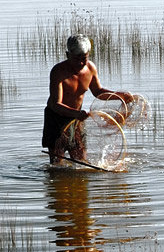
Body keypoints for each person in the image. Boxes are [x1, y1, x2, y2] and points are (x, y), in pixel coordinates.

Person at [42, 34, 133, 164]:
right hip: (56, 118)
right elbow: (56, 104)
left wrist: (119, 96)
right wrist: (76, 114)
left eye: (84, 58)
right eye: (76, 58)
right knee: (57, 163)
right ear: (68, 55)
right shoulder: (58, 72)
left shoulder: (90, 68)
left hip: (76, 118)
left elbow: (98, 91)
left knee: (81, 160)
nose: (80, 63)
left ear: (88, 55)